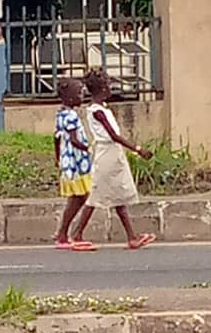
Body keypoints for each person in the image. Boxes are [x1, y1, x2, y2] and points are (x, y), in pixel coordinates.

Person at [71, 70, 156, 250]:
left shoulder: (102, 109)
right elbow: (113, 136)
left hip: (113, 154)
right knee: (95, 195)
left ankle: (132, 237)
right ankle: (77, 234)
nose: (110, 89)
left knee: (118, 196)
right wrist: (138, 149)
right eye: (108, 85)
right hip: (106, 155)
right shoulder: (97, 112)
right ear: (101, 89)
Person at [54, 77, 96, 251]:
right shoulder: (71, 116)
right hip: (77, 163)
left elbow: (56, 139)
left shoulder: (61, 114)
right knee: (85, 196)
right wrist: (89, 148)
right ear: (70, 97)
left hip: (68, 162)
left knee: (78, 198)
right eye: (79, 93)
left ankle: (64, 233)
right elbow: (73, 140)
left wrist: (57, 158)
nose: (82, 95)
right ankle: (67, 233)